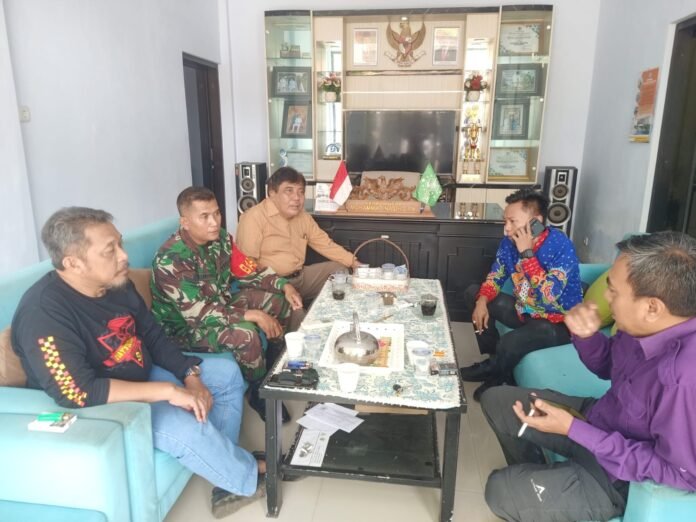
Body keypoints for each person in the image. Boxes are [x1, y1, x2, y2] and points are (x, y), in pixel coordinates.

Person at [11, 207, 264, 518]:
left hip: (140, 372)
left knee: (226, 374)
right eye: (110, 250)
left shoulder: (117, 283)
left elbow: (153, 335)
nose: (124, 256)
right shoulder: (43, 312)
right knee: (186, 426)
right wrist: (169, 392)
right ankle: (243, 480)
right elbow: (77, 391)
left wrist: (189, 374)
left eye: (121, 244)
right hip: (101, 402)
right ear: (73, 263)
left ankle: (223, 464)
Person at [481, 231, 696, 521]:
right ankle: (544, 480)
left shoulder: (684, 378)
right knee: (496, 402)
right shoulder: (642, 327)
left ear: (652, 307)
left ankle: (545, 493)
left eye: (614, 292)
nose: (606, 298)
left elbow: (681, 474)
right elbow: (608, 366)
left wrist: (573, 429)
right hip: (597, 420)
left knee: (498, 490)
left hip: (615, 477)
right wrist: (586, 336)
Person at [150, 187, 302, 422]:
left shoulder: (221, 238)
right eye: (204, 216)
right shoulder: (172, 259)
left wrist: (284, 285)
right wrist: (252, 315)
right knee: (246, 334)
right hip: (183, 329)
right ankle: (258, 392)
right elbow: (198, 313)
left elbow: (249, 271)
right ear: (185, 222)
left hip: (219, 304)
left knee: (278, 303)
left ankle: (272, 367)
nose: (214, 222)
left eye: (217, 213)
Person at [459, 188, 582, 401]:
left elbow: (548, 296)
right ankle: (494, 360)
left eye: (512, 222)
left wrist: (527, 253)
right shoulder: (508, 243)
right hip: (524, 310)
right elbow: (496, 275)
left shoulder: (561, 246)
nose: (506, 229)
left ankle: (498, 376)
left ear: (536, 221)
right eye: (505, 221)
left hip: (558, 322)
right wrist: (482, 300)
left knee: (510, 343)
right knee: (473, 293)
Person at [236, 167, 361, 329]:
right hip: (272, 286)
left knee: (339, 271)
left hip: (300, 278)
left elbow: (325, 244)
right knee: (298, 315)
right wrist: (282, 285)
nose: (296, 198)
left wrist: (353, 262)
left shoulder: (302, 216)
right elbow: (248, 265)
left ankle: (326, 317)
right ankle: (305, 325)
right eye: (289, 191)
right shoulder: (253, 217)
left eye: (301, 192)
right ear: (272, 193)